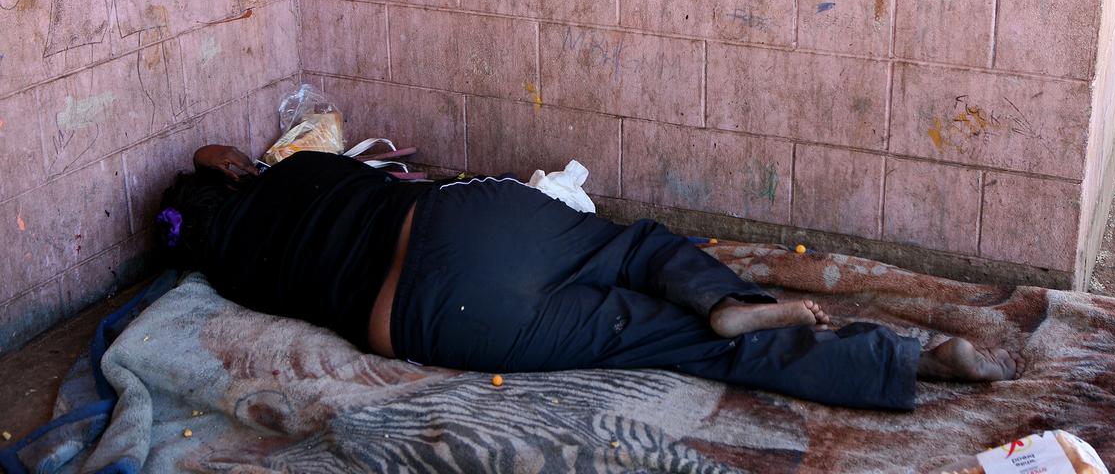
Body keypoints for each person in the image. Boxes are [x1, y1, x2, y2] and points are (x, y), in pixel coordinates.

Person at [158, 144, 1023, 411]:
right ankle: (727, 296)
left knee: (673, 342)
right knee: (636, 248)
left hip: (426, 315)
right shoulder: (298, 167)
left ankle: (904, 362)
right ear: (231, 169)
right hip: (458, 225)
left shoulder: (231, 269)